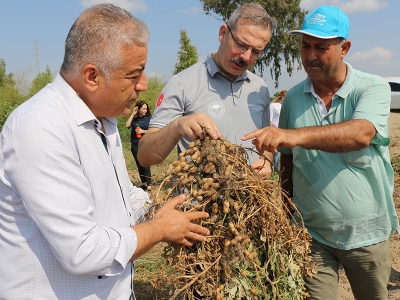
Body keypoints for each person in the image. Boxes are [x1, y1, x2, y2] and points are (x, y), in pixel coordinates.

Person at [0, 4, 210, 299]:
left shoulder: (104, 121)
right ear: (92, 77)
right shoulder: (40, 127)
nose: (144, 84)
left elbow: (121, 196)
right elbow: (82, 251)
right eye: (134, 74)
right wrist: (161, 228)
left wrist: (165, 207)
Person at [242, 5, 399, 300]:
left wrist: (291, 136)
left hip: (365, 234)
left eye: (321, 47)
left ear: (345, 48)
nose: (310, 56)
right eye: (305, 46)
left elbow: (361, 134)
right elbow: (287, 163)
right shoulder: (293, 100)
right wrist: (286, 213)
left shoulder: (372, 87)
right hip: (311, 236)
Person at [138, 3, 275, 177]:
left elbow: (265, 145)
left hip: (247, 202)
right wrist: (177, 126)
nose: (246, 57)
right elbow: (144, 157)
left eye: (256, 51)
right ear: (223, 33)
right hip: (199, 202)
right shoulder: (182, 83)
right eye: (241, 44)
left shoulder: (260, 88)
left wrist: (266, 160)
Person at [126, 100, 152, 191]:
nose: (145, 110)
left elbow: (154, 130)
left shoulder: (149, 118)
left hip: (145, 143)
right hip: (135, 144)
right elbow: (127, 125)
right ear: (138, 109)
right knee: (139, 164)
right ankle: (144, 184)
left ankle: (149, 185)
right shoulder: (135, 119)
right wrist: (133, 114)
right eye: (143, 109)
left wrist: (143, 131)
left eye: (146, 109)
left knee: (145, 163)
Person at [269, 89, 286, 171]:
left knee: (280, 151)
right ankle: (275, 169)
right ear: (282, 97)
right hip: (274, 130)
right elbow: (270, 119)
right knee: (275, 152)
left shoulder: (284, 106)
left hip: (282, 131)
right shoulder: (273, 105)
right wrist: (271, 130)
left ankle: (278, 169)